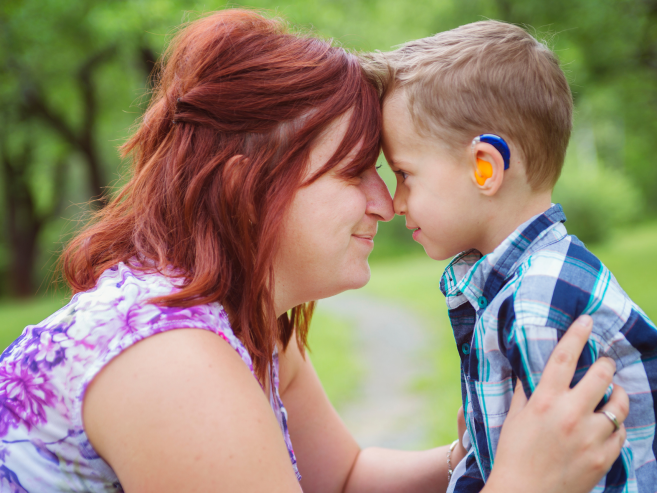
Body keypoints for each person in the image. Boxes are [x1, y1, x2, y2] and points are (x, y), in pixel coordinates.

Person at [0, 10, 628, 493]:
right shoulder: (171, 361)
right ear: (253, 188)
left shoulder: (249, 322)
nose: (385, 203)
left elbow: (346, 478)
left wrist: (487, 455)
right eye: (355, 171)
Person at [366, 20, 656, 493]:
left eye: (404, 174)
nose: (395, 202)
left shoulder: (537, 305)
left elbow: (579, 472)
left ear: (485, 167)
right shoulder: (517, 287)